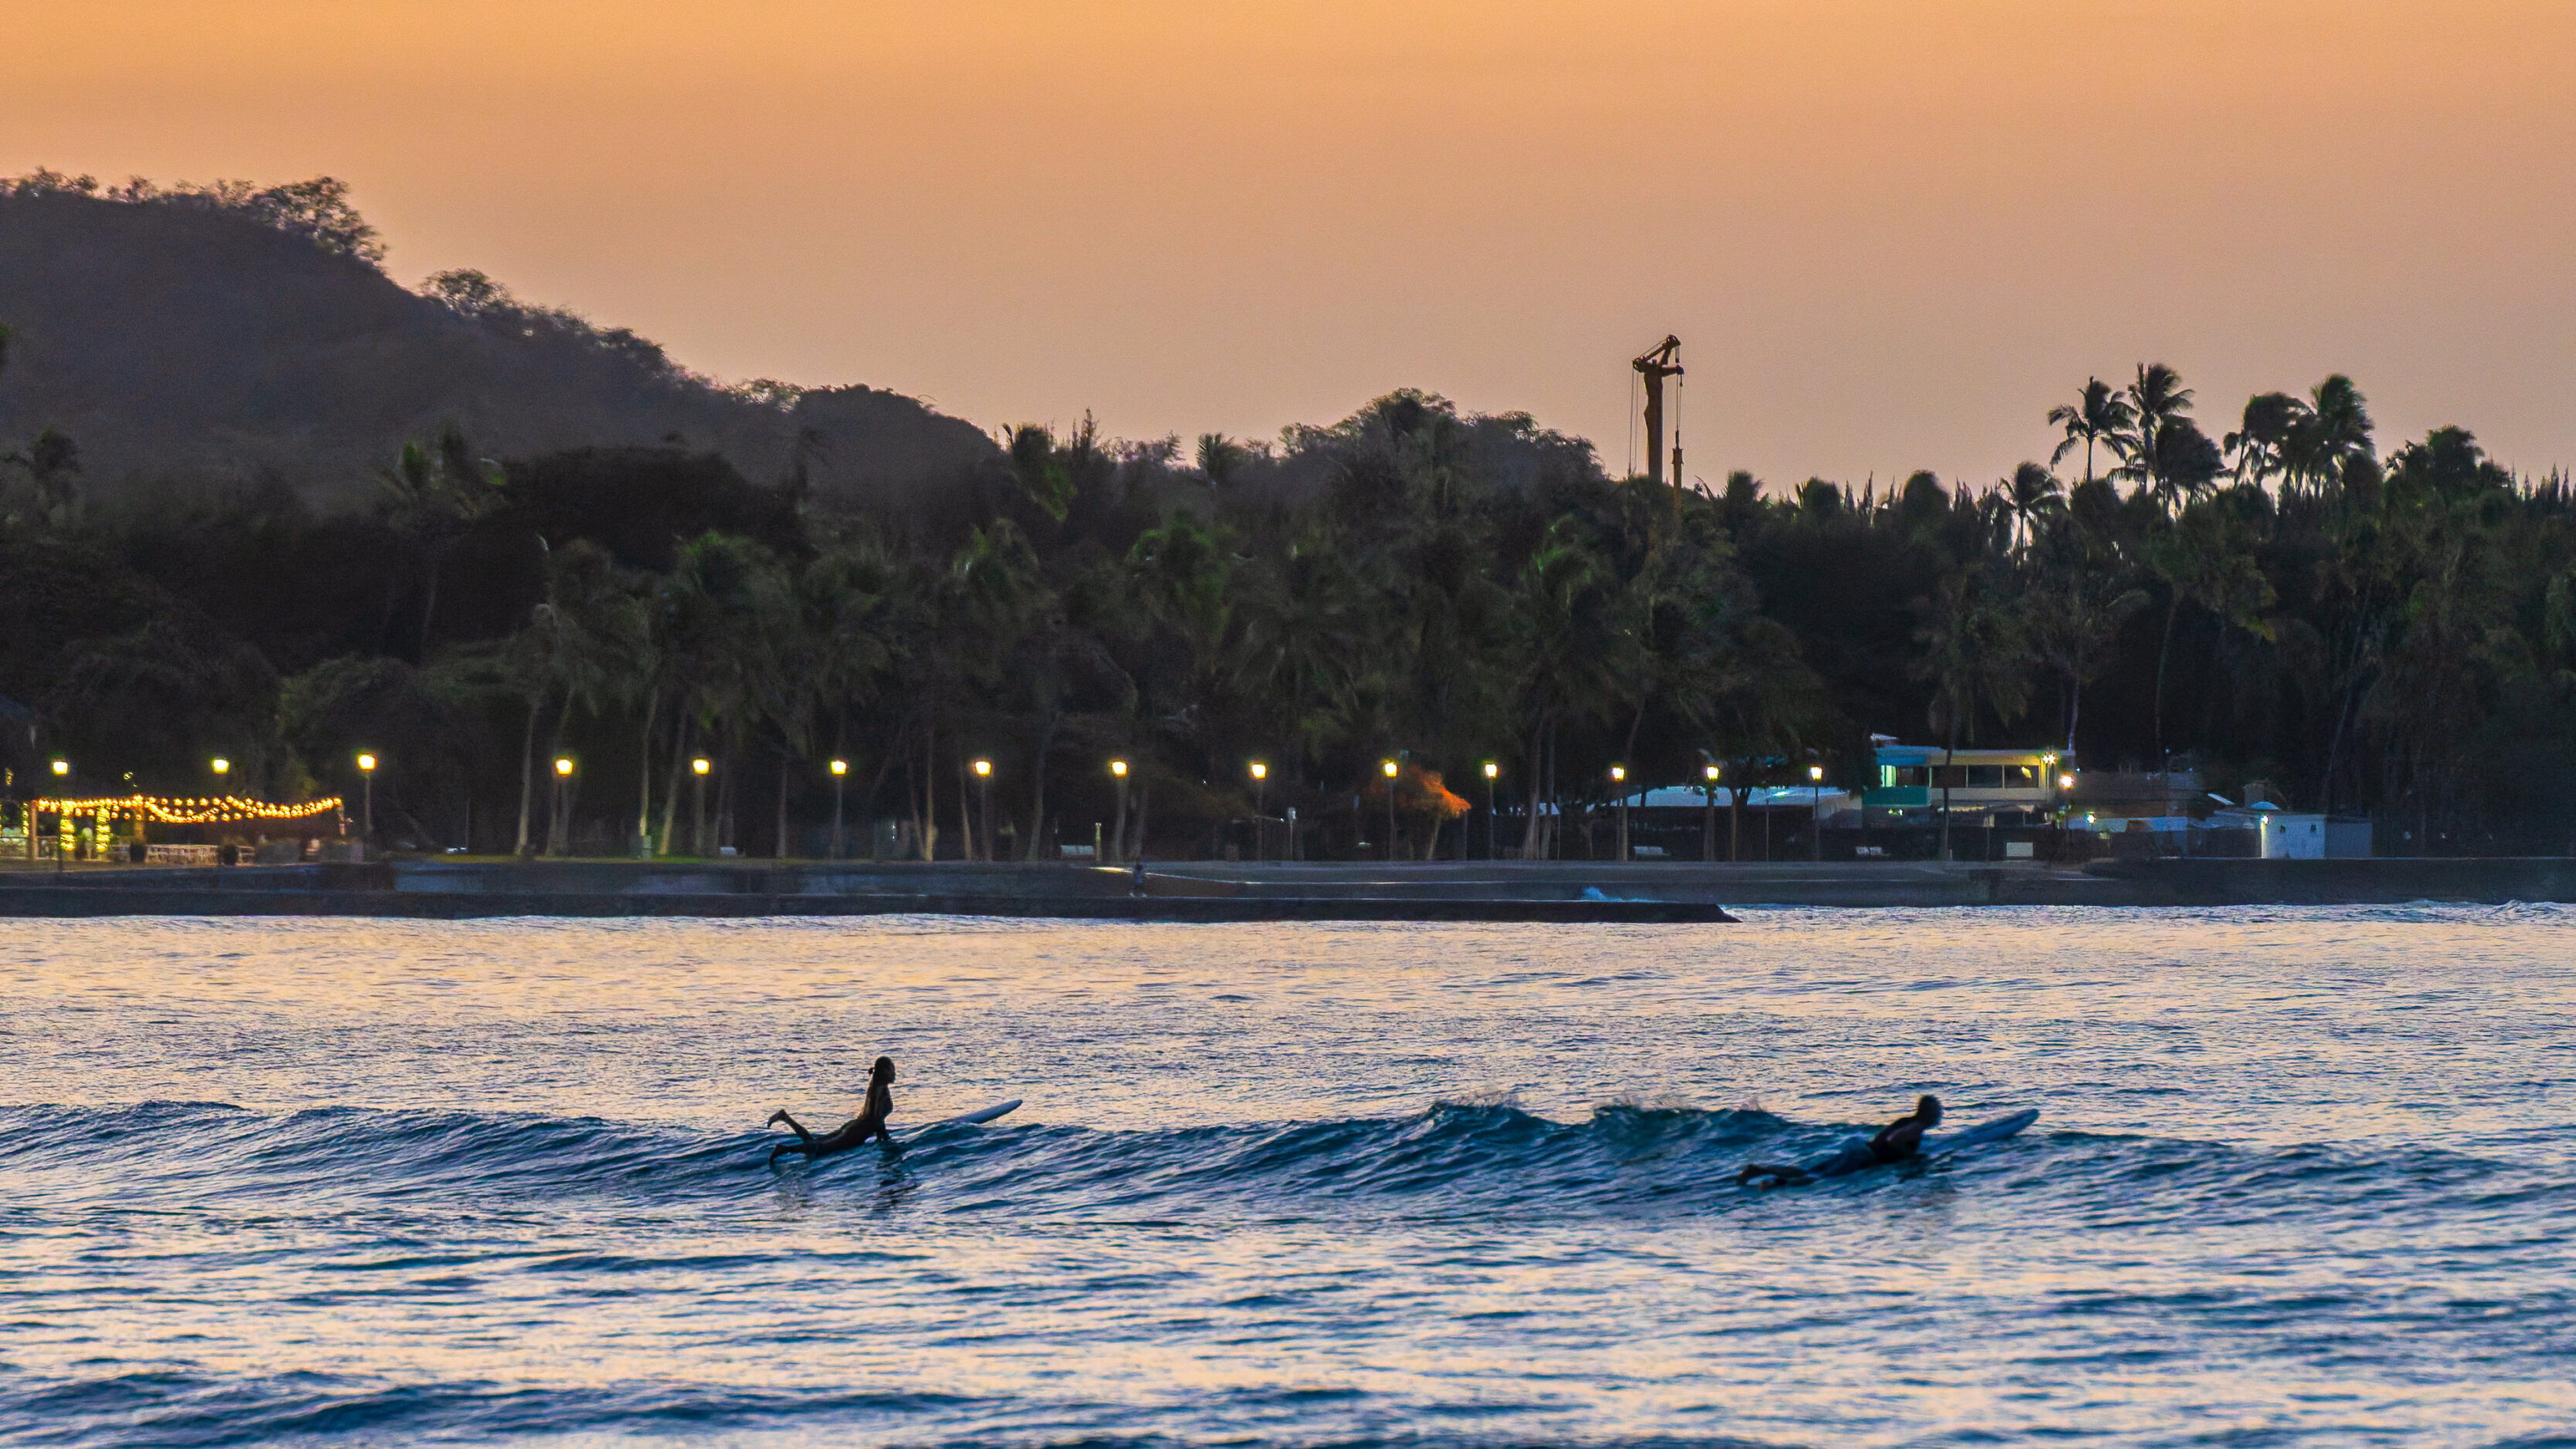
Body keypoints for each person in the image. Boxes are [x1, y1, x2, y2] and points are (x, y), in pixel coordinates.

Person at [1735, 1094, 1944, 1187]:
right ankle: (1765, 1176)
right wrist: (1912, 1157)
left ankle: (1764, 1174)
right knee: (1816, 1177)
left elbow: (1887, 1138)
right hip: (1863, 1157)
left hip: (1860, 1151)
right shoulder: (1916, 1127)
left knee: (1812, 1173)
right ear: (1927, 1112)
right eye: (1937, 1110)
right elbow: (1892, 1140)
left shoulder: (1909, 1121)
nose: (1940, 1114)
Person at [767, 1056, 897, 1164]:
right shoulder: (882, 1089)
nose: (895, 1073)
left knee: (815, 1143)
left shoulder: (875, 1083)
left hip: (856, 1126)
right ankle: (784, 1149)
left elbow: (876, 1117)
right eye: (893, 1069)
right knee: (819, 1149)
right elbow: (876, 1119)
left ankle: (785, 1118)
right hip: (858, 1132)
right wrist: (885, 1140)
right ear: (885, 1070)